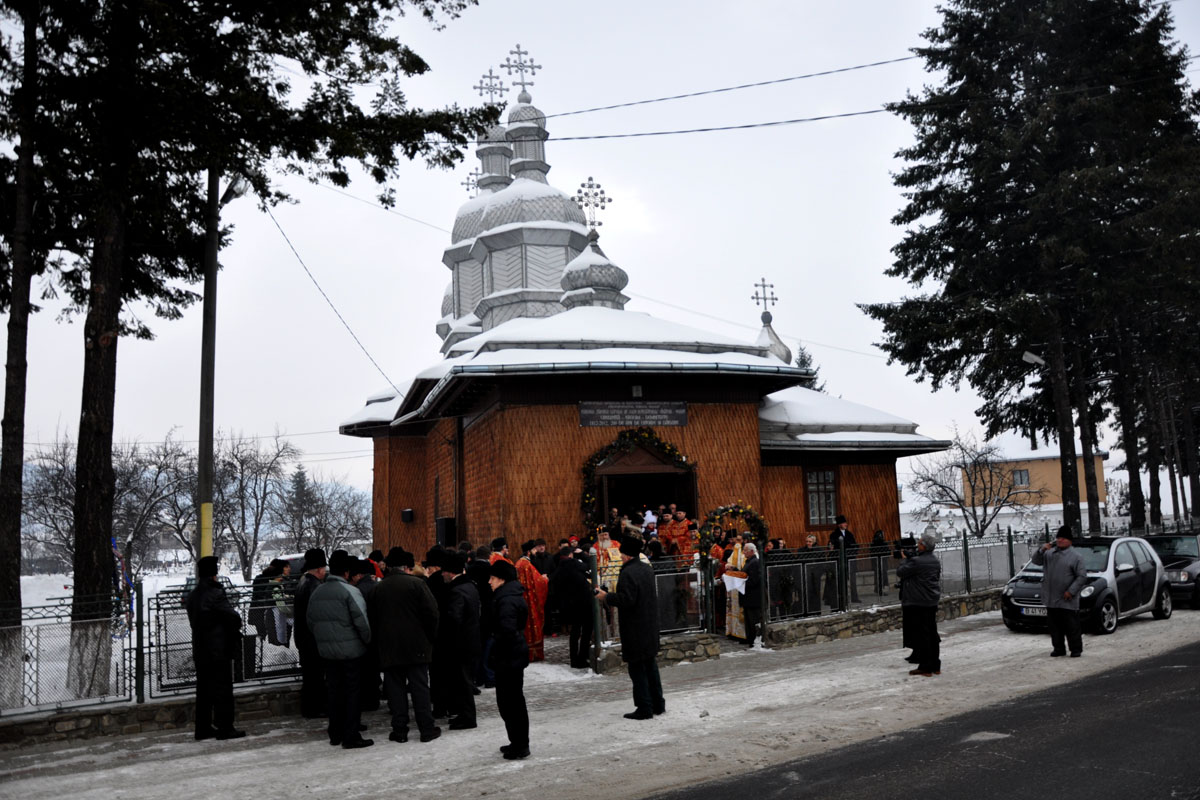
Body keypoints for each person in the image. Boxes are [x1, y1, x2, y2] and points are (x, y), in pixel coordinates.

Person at [368, 547, 441, 744]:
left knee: (395, 690)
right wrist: (430, 638)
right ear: (406, 566)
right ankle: (426, 729)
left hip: (389, 647)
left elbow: (372, 620)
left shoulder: (378, 589)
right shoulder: (417, 585)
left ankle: (399, 731)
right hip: (417, 645)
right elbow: (432, 614)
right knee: (420, 688)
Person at [306, 551, 373, 748]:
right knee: (352, 693)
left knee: (334, 692)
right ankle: (350, 735)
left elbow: (311, 622)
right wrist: (365, 642)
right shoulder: (350, 592)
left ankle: (335, 733)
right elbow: (362, 623)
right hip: (351, 651)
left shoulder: (317, 592)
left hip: (327, 652)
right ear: (346, 572)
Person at [596, 536, 664, 720]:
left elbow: (627, 600)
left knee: (637, 668)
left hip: (635, 627)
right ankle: (658, 703)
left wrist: (607, 597)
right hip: (649, 624)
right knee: (650, 665)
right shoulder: (646, 569)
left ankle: (644, 707)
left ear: (625, 555)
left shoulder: (628, 573)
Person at [186, 556, 245, 741]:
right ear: (214, 575)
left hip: (201, 649)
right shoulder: (215, 593)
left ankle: (203, 729)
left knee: (204, 691)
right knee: (223, 690)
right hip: (218, 649)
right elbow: (233, 617)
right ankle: (225, 728)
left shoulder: (193, 595)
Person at [489, 560, 530, 760]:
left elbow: (507, 632)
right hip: (512, 656)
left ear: (502, 579)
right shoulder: (508, 596)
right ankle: (517, 741)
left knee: (511, 703)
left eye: (492, 578)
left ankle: (521, 745)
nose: (489, 582)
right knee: (511, 702)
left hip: (509, 658)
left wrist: (498, 654)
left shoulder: (506, 600)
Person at [1032, 526, 1086, 658]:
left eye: (1063, 538)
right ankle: (1058, 648)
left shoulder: (1076, 557)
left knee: (1071, 626)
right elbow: (1036, 561)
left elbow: (1082, 577)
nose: (1059, 540)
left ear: (1069, 541)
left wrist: (1071, 591)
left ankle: (1075, 649)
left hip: (1067, 599)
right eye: (1058, 538)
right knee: (1054, 627)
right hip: (1051, 598)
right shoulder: (1049, 554)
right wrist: (1041, 550)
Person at [441, 552, 481, 730]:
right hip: (471, 640)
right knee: (465, 680)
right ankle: (465, 715)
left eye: (444, 571)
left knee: (463, 681)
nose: (442, 574)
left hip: (461, 644)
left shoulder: (456, 591)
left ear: (450, 572)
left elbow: (454, 620)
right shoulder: (469, 586)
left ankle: (468, 717)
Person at [896, 533, 941, 677]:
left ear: (924, 546)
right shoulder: (935, 560)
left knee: (923, 635)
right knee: (932, 633)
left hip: (919, 602)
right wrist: (911, 558)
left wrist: (905, 560)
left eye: (920, 543)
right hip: (931, 601)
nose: (917, 545)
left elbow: (901, 572)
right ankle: (935, 665)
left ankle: (925, 667)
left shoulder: (917, 562)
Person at [293, 548, 327, 719]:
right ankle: (316, 708)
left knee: (310, 676)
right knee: (316, 676)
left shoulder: (303, 582)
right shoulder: (314, 586)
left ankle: (310, 708)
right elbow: (318, 615)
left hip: (303, 637)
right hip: (312, 639)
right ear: (320, 569)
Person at [549, 546, 595, 668]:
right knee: (586, 630)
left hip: (569, 605)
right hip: (584, 602)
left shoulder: (559, 569)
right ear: (571, 555)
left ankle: (574, 659)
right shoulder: (574, 563)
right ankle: (582, 657)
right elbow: (590, 565)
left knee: (575, 631)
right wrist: (582, 555)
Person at [516, 540, 549, 662]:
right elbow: (538, 583)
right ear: (529, 552)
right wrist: (545, 580)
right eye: (534, 550)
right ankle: (533, 653)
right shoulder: (527, 565)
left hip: (522, 599)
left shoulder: (519, 563)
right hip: (530, 601)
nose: (536, 551)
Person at [828, 515, 860, 603]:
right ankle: (843, 598)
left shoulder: (849, 534)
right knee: (842, 580)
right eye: (844, 523)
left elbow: (854, 545)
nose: (846, 524)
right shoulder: (834, 535)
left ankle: (854, 597)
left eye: (846, 523)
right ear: (839, 524)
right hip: (841, 561)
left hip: (850, 559)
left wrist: (854, 551)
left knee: (853, 580)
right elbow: (831, 546)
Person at [741, 542, 763, 647]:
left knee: (753, 619)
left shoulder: (754, 562)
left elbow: (754, 580)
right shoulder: (749, 561)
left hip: (753, 597)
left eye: (745, 550)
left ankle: (755, 640)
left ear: (751, 551)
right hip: (748, 596)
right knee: (748, 620)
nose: (744, 552)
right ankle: (750, 639)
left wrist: (741, 583)